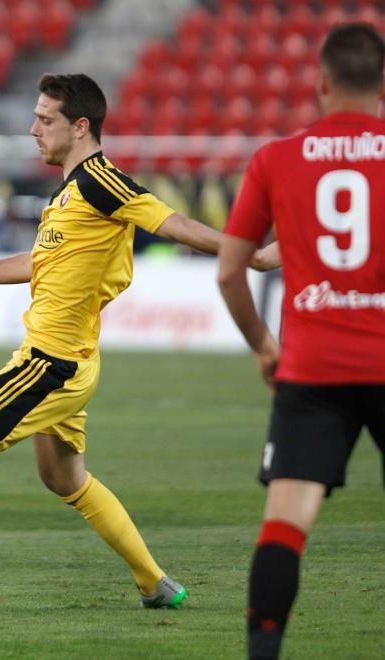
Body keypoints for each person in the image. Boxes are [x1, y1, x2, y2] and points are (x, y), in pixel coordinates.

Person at [0, 73, 279, 620]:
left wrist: (248, 255)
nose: (33, 129)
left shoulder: (101, 182)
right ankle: (155, 583)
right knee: (64, 478)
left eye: (45, 119)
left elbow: (173, 222)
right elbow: (36, 262)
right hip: (64, 360)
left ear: (80, 126)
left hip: (50, 366)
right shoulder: (69, 192)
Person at [218, 23, 385, 660]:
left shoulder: (276, 159)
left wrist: (264, 345)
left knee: (286, 524)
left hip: (311, 370)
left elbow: (232, 269)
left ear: (319, 82)